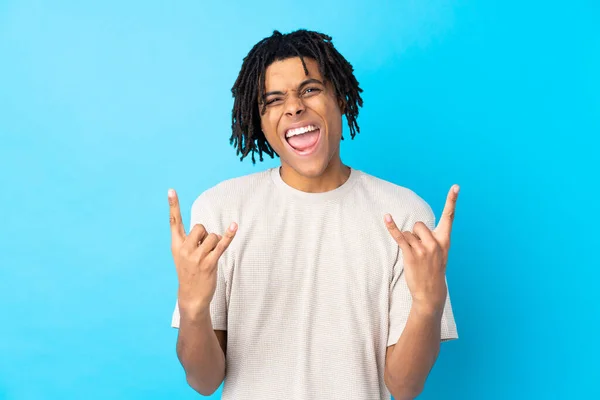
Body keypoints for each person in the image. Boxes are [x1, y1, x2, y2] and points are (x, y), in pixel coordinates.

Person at [169, 29, 459, 400]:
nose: (293, 107)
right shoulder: (219, 209)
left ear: (339, 98)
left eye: (309, 90)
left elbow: (404, 387)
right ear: (260, 122)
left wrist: (428, 306)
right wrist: (193, 309)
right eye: (274, 99)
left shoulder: (404, 215)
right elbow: (204, 381)